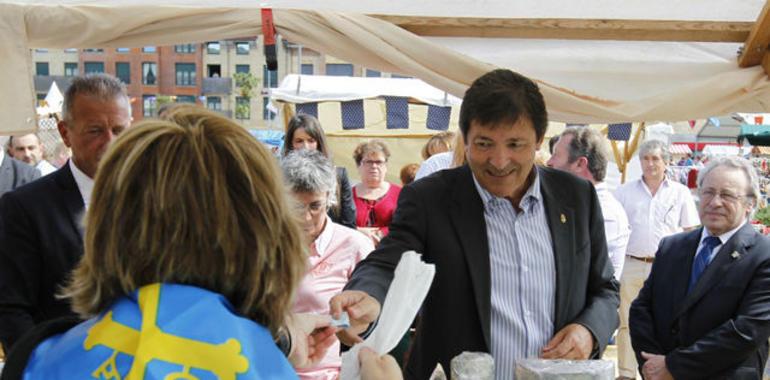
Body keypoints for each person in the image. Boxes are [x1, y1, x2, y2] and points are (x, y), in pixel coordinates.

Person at [0, 106, 339, 379]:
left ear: (107, 224)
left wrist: (279, 340)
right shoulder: (264, 365)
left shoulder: (41, 359)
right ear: (263, 234)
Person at [331, 69, 619, 379]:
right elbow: (388, 263)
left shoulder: (575, 197)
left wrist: (588, 330)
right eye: (484, 144)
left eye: (515, 144)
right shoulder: (431, 198)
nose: (499, 160)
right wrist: (368, 296)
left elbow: (604, 289)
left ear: (538, 140)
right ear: (465, 139)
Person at [0, 73, 132, 351]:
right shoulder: (25, 207)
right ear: (64, 133)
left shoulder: (158, 200)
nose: (109, 141)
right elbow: (11, 309)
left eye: (119, 130)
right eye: (95, 130)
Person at [630, 156, 770, 379]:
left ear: (750, 203)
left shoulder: (763, 255)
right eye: (708, 192)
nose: (715, 202)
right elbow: (641, 310)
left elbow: (746, 331)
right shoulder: (672, 246)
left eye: (727, 195)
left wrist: (673, 367)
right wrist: (652, 364)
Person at [281, 149, 374, 380]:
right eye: (296, 207)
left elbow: (370, 317)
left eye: (315, 206)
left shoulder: (353, 246)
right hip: (272, 366)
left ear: (330, 198)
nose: (306, 217)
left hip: (332, 372)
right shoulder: (265, 245)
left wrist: (330, 321)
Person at [614, 139, 700, 380]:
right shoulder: (623, 192)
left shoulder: (680, 192)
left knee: (666, 322)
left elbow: (690, 231)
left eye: (655, 159)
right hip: (631, 264)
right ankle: (627, 374)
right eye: (645, 158)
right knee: (626, 323)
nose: (650, 164)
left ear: (666, 162)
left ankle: (660, 373)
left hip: (667, 269)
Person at [547, 127, 630, 280]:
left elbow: (572, 272)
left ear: (580, 164)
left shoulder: (604, 212)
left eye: (556, 155)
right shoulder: (581, 204)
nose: (549, 162)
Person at [282, 114, 357, 229]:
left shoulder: (338, 175)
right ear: (291, 144)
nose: (305, 147)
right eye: (299, 141)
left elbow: (348, 223)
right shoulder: (280, 177)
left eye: (311, 140)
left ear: (319, 143)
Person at [352, 140, 401, 245]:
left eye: (379, 162)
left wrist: (382, 234)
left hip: (390, 252)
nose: (374, 166)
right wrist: (358, 231)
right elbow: (338, 224)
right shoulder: (348, 195)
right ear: (358, 165)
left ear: (386, 166)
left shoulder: (400, 194)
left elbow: (406, 223)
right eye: (368, 162)